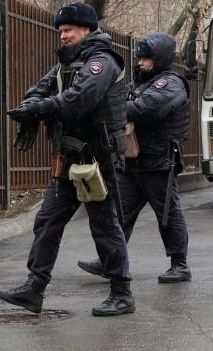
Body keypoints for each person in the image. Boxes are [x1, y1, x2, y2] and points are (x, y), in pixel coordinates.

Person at [0, 2, 135, 316]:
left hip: (100, 157)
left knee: (104, 223)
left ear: (86, 29)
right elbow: (38, 90)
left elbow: (79, 100)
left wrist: (39, 109)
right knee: (48, 218)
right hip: (70, 157)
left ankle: (122, 292)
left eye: (68, 30)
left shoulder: (103, 61)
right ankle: (34, 287)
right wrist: (31, 109)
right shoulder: (66, 65)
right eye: (60, 30)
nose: (63, 36)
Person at [76, 33, 192, 283]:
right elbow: (119, 98)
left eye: (146, 58)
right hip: (134, 161)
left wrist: (115, 108)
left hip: (160, 162)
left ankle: (179, 264)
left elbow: (148, 107)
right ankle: (110, 261)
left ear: (159, 58)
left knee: (168, 214)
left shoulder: (170, 83)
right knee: (119, 213)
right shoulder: (140, 84)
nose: (140, 62)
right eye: (139, 58)